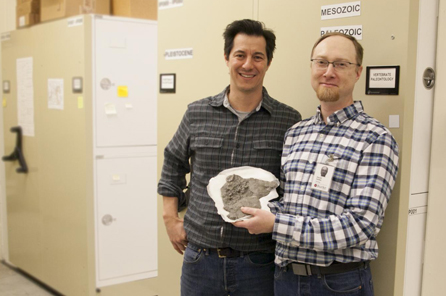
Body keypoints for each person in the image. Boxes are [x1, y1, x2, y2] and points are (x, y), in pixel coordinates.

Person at [234, 32, 399, 295]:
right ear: (312, 67)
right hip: (285, 278)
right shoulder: (296, 133)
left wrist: (275, 224)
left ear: (358, 72)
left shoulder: (375, 139)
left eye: (340, 64)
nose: (329, 72)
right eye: (321, 62)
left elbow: (360, 225)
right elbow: (288, 203)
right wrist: (248, 207)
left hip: (337, 283)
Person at [157, 19, 301, 296]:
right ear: (227, 58)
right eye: (240, 55)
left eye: (257, 57)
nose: (248, 64)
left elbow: (293, 186)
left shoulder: (287, 120)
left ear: (268, 62)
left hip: (259, 263)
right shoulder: (197, 113)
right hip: (201, 260)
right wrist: (170, 218)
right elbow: (173, 162)